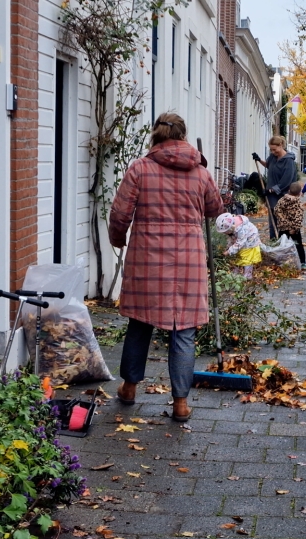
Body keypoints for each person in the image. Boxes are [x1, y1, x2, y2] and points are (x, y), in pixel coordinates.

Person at [108, 112, 223, 422]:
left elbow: (120, 214)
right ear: (183, 136)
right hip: (189, 262)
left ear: (156, 136)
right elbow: (215, 208)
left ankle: (129, 388)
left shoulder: (140, 169)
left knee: (140, 322)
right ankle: (181, 404)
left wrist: (118, 239)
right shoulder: (200, 173)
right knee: (183, 330)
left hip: (147, 259)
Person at [252, 135, 297, 239]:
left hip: (283, 196)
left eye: (274, 149)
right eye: (271, 150)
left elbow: (286, 181)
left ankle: (283, 242)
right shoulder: (273, 157)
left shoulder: (289, 161)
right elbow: (268, 165)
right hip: (272, 196)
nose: (272, 152)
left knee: (282, 220)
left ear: (280, 145)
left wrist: (270, 190)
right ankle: (273, 240)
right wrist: (259, 160)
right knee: (272, 220)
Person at [216, 212, 261, 279]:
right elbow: (232, 239)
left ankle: (247, 276)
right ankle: (236, 273)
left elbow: (240, 243)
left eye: (225, 232)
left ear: (230, 228)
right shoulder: (233, 226)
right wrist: (228, 247)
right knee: (238, 256)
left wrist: (229, 251)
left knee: (246, 258)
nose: (225, 233)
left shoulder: (241, 230)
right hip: (243, 240)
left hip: (250, 241)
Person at [273, 182, 306, 269]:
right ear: (299, 193)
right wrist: (294, 228)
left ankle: (280, 262)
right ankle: (303, 263)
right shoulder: (298, 203)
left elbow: (276, 211)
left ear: (288, 191)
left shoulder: (281, 200)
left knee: (282, 245)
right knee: (299, 245)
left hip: (283, 228)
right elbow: (298, 218)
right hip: (294, 230)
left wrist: (283, 222)